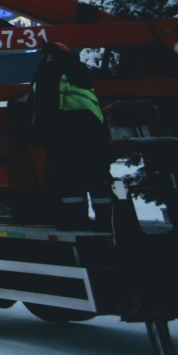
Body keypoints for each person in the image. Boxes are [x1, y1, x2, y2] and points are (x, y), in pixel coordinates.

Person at [27, 43, 110, 225]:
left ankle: (75, 219)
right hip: (92, 128)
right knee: (97, 175)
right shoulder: (80, 71)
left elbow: (45, 105)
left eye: (48, 55)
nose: (46, 58)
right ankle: (107, 220)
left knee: (69, 177)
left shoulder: (50, 72)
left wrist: (38, 132)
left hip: (65, 128)